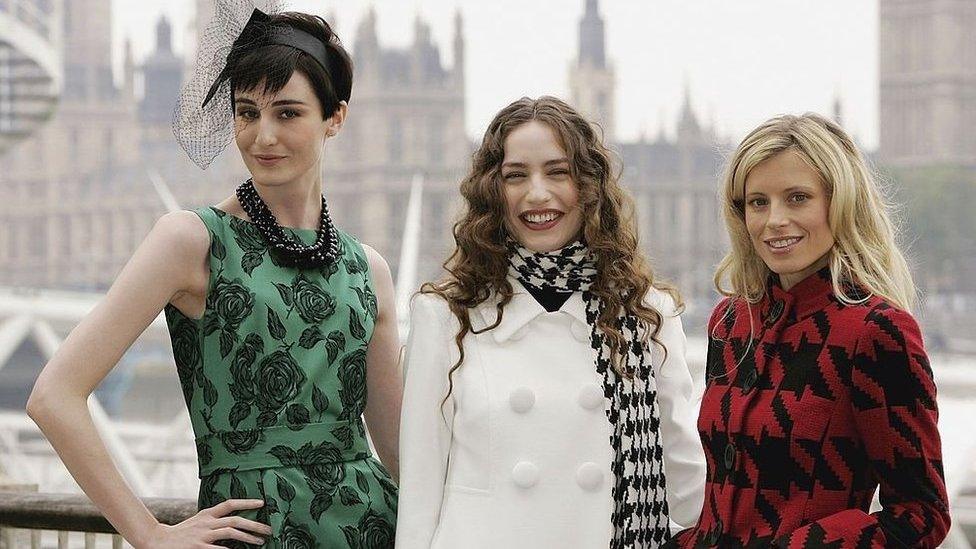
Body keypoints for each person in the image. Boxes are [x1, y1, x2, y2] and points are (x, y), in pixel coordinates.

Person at [27, 6, 400, 547]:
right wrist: (150, 534)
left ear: (335, 118)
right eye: (247, 112)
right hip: (252, 536)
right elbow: (53, 395)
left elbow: (398, 453)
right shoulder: (191, 241)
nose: (262, 135)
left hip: (373, 530)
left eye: (288, 113)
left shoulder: (370, 269)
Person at [396, 96, 705, 548]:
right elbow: (420, 500)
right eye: (515, 175)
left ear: (590, 185)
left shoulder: (646, 315)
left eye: (557, 172)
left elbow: (689, 489)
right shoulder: (444, 317)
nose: (537, 193)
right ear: (492, 192)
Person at [667, 113, 950, 547]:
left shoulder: (877, 333)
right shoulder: (730, 323)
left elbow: (921, 515)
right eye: (757, 202)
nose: (773, 220)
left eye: (797, 198)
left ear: (839, 203)